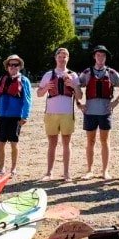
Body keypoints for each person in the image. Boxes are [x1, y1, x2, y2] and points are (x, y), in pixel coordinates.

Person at [76, 45, 119, 180]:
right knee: (90, 141)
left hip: (105, 112)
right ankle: (89, 170)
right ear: (94, 56)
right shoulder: (86, 73)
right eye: (98, 55)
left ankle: (105, 171)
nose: (100, 57)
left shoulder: (112, 73)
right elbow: (76, 88)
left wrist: (116, 101)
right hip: (90, 112)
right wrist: (79, 104)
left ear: (105, 57)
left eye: (103, 55)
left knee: (105, 141)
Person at [36, 47, 80, 181]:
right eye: (60, 56)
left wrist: (73, 85)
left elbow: (79, 95)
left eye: (64, 56)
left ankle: (66, 173)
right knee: (52, 143)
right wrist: (45, 88)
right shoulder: (48, 75)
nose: (62, 59)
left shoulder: (73, 75)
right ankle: (49, 172)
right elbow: (38, 94)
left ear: (68, 58)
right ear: (56, 58)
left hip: (67, 113)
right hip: (51, 113)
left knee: (67, 143)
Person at [0, 54, 31, 177]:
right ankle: (1, 168)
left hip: (15, 117)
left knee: (14, 143)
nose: (13, 67)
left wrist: (25, 116)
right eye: (11, 65)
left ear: (20, 66)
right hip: (3, 116)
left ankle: (13, 168)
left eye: (16, 65)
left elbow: (27, 100)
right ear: (7, 67)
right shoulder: (3, 80)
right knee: (0, 143)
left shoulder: (24, 81)